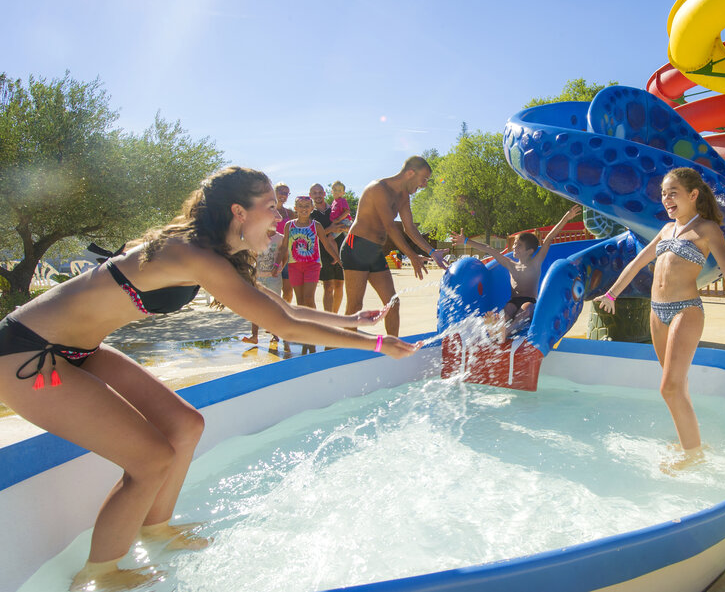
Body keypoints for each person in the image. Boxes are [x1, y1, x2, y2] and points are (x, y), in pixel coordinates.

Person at [0, 166, 418, 592]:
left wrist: (348, 320)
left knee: (186, 425)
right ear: (239, 210)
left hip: (79, 351)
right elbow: (283, 326)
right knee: (150, 459)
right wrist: (376, 345)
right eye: (271, 207)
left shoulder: (213, 253)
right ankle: (98, 575)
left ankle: (154, 527)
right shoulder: (192, 252)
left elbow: (277, 306)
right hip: (29, 354)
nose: (279, 217)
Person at [596, 167, 725, 471]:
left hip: (685, 311)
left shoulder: (706, 230)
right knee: (676, 386)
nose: (666, 198)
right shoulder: (666, 230)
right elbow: (638, 263)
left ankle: (693, 456)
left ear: (693, 195)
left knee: (670, 388)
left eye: (672, 192)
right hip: (657, 313)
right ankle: (689, 441)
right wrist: (611, 294)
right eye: (663, 193)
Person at [341, 156, 448, 336]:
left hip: (375, 251)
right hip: (355, 246)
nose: (424, 185)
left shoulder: (403, 196)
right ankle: (345, 351)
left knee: (392, 303)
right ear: (410, 173)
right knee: (355, 305)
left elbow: (410, 228)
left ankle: (392, 348)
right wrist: (412, 256)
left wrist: (431, 251)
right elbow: (390, 226)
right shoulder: (378, 189)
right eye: (424, 179)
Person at [452, 204, 581, 339]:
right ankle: (498, 325)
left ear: (529, 251)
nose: (514, 246)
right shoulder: (510, 264)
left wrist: (567, 217)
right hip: (513, 301)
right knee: (508, 310)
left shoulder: (535, 263)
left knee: (525, 310)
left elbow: (549, 238)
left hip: (529, 302)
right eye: (514, 244)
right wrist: (466, 241)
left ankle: (506, 331)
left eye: (518, 245)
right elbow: (489, 249)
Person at [275, 195, 343, 353]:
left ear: (312, 208)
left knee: (308, 297)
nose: (304, 208)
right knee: (299, 300)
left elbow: (326, 244)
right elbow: (284, 247)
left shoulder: (316, 225)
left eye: (307, 205)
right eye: (301, 205)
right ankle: (304, 330)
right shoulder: (289, 226)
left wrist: (338, 259)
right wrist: (278, 264)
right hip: (294, 267)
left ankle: (314, 329)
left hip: (312, 266)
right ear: (296, 208)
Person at [242, 223, 284, 348]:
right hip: (259, 276)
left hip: (274, 278)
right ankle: (254, 336)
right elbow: (252, 256)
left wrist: (279, 268)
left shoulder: (280, 238)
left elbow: (284, 254)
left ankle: (275, 334)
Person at [309, 183, 347, 315]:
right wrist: (330, 230)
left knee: (339, 285)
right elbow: (311, 236)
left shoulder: (335, 209)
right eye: (315, 193)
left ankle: (335, 317)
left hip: (340, 250)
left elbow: (347, 224)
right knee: (328, 286)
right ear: (311, 196)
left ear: (325, 194)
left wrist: (343, 228)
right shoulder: (311, 215)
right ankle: (329, 319)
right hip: (323, 252)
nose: (318, 195)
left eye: (320, 192)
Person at [273, 182, 295, 306]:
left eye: (286, 193)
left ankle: (285, 313)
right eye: (281, 192)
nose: (284, 195)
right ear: (275, 192)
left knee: (287, 289)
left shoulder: (290, 213)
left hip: (287, 253)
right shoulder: (267, 210)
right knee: (272, 288)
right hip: (271, 251)